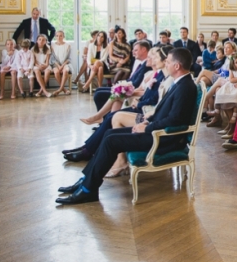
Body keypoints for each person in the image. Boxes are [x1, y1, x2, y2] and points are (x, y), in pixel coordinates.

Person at [56, 48, 197, 205]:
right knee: (109, 133)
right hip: (156, 130)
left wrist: (147, 128)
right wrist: (146, 122)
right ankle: (85, 181)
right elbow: (167, 113)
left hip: (164, 138)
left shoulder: (185, 87)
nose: (166, 63)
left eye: (169, 62)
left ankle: (89, 189)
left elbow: (175, 120)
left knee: (111, 142)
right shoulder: (180, 83)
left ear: (177, 66)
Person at [63, 45, 173, 162]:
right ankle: (87, 147)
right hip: (143, 106)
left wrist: (139, 102)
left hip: (146, 111)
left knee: (111, 116)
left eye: (156, 56)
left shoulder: (165, 77)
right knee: (110, 114)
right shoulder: (160, 74)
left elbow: (155, 100)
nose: (152, 59)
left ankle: (89, 150)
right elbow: (150, 94)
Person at [90, 40, 151, 110]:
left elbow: (136, 84)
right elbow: (131, 79)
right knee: (98, 90)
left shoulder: (146, 65)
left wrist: (121, 87)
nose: (133, 53)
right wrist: (119, 85)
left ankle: (104, 116)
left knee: (99, 95)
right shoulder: (141, 63)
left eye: (136, 50)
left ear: (143, 50)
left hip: (130, 91)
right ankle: (104, 116)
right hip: (127, 88)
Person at [211, 53, 237, 130]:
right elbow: (231, 80)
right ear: (233, 63)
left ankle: (233, 119)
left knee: (234, 96)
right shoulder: (232, 70)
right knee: (221, 93)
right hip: (231, 86)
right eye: (236, 62)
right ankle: (219, 112)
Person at [50, 30, 73, 96]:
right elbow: (52, 58)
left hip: (65, 63)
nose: (59, 37)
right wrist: (58, 66)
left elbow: (68, 58)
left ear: (63, 36)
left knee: (65, 71)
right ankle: (64, 89)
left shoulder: (68, 45)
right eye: (57, 36)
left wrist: (62, 66)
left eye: (60, 36)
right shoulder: (52, 45)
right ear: (55, 37)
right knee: (56, 72)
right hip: (56, 64)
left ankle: (59, 89)